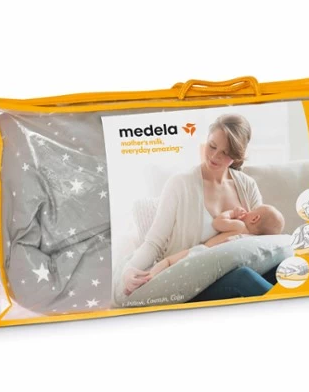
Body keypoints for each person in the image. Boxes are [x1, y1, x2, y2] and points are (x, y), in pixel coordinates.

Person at [116, 113, 280, 301]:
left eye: (226, 152)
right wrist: (129, 269)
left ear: (236, 155)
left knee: (280, 270)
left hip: (235, 267)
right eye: (212, 146)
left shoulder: (247, 185)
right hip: (191, 278)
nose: (215, 156)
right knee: (244, 277)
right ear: (207, 139)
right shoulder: (180, 184)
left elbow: (261, 238)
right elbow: (154, 242)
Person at [147, 204, 285, 279]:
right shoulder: (252, 242)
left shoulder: (240, 226)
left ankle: (150, 276)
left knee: (168, 261)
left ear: (254, 219)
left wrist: (232, 213)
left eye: (252, 210)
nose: (248, 210)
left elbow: (217, 223)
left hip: (202, 251)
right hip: (211, 264)